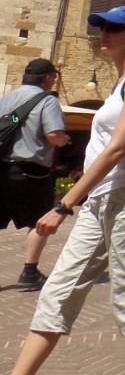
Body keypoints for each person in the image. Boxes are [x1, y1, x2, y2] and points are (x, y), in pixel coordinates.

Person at [0, 6, 125, 375]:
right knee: (56, 292)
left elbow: (119, 147)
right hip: (100, 200)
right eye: (101, 28)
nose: (102, 34)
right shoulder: (120, 82)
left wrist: (64, 204)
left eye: (112, 28)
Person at [0, 59, 68, 291]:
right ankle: (30, 271)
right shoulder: (46, 100)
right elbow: (54, 135)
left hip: (1, 169)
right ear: (48, 78)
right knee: (39, 221)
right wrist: (65, 141)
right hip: (31, 173)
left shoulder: (7, 99)